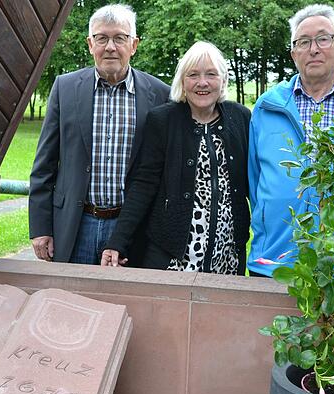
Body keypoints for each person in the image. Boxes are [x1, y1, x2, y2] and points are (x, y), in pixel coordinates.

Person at [247, 4, 334, 277]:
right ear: (293, 54)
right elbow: (255, 182)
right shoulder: (266, 108)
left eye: (323, 39)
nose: (313, 49)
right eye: (303, 42)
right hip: (274, 261)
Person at [29, 4, 170, 264]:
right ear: (90, 44)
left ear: (134, 44)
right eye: (101, 38)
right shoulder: (65, 88)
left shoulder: (161, 95)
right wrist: (40, 227)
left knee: (126, 301)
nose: (110, 47)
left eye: (120, 38)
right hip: (75, 225)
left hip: (132, 229)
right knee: (71, 301)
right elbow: (44, 165)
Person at [101, 42, 251, 274]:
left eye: (211, 74)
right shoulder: (163, 120)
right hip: (173, 254)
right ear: (182, 81)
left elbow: (255, 182)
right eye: (193, 75)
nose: (202, 82)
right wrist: (118, 241)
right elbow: (143, 184)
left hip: (227, 256)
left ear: (223, 80)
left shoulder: (240, 117)